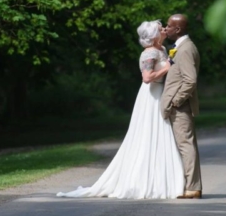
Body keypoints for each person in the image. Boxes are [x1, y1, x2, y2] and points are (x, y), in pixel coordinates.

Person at [57, 20, 185, 199]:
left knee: (162, 133)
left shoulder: (162, 50)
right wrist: (167, 68)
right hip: (151, 95)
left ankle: (162, 179)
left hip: (161, 93)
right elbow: (147, 78)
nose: (164, 29)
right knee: (147, 134)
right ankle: (141, 181)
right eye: (160, 28)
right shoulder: (149, 53)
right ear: (154, 35)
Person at [161, 14, 202, 199]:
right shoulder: (182, 47)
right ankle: (190, 185)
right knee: (185, 144)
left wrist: (176, 101)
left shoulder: (185, 49)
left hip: (181, 107)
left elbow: (190, 80)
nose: (165, 29)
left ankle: (192, 187)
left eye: (168, 26)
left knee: (185, 145)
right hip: (178, 105)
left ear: (177, 29)